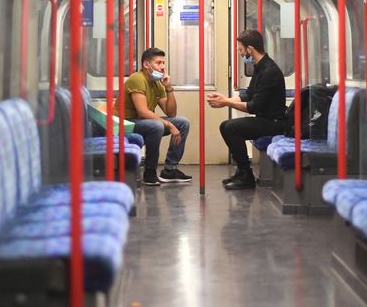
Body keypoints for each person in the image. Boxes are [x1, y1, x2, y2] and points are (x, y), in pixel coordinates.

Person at [207, 30, 287, 190]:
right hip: (265, 119)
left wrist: (225, 103)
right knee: (225, 126)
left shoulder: (269, 71)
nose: (240, 52)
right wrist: (224, 99)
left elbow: (254, 106)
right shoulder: (259, 67)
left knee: (231, 128)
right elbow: (248, 94)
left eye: (240, 49)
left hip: (275, 122)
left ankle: (246, 176)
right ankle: (242, 171)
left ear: (250, 49)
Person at [118, 47, 192, 186]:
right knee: (157, 125)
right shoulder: (137, 79)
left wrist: (169, 88)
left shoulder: (157, 83)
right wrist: (169, 125)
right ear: (146, 65)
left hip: (142, 122)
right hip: (126, 122)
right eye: (158, 63)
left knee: (182, 122)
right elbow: (143, 112)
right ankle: (150, 172)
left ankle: (170, 170)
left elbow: (171, 113)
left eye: (163, 63)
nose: (163, 67)